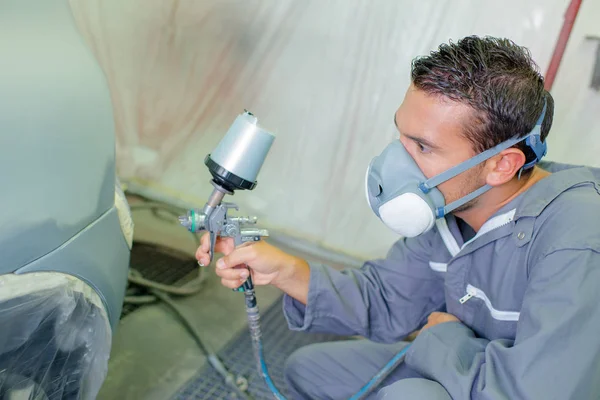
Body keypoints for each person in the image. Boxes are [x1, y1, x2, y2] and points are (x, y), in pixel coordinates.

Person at [196, 36, 600, 399]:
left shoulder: (578, 239)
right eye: (401, 136)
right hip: (463, 371)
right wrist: (286, 270)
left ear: (500, 165)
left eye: (422, 147)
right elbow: (388, 299)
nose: (396, 161)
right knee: (314, 371)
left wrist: (443, 340)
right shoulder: (455, 208)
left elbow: (532, 392)